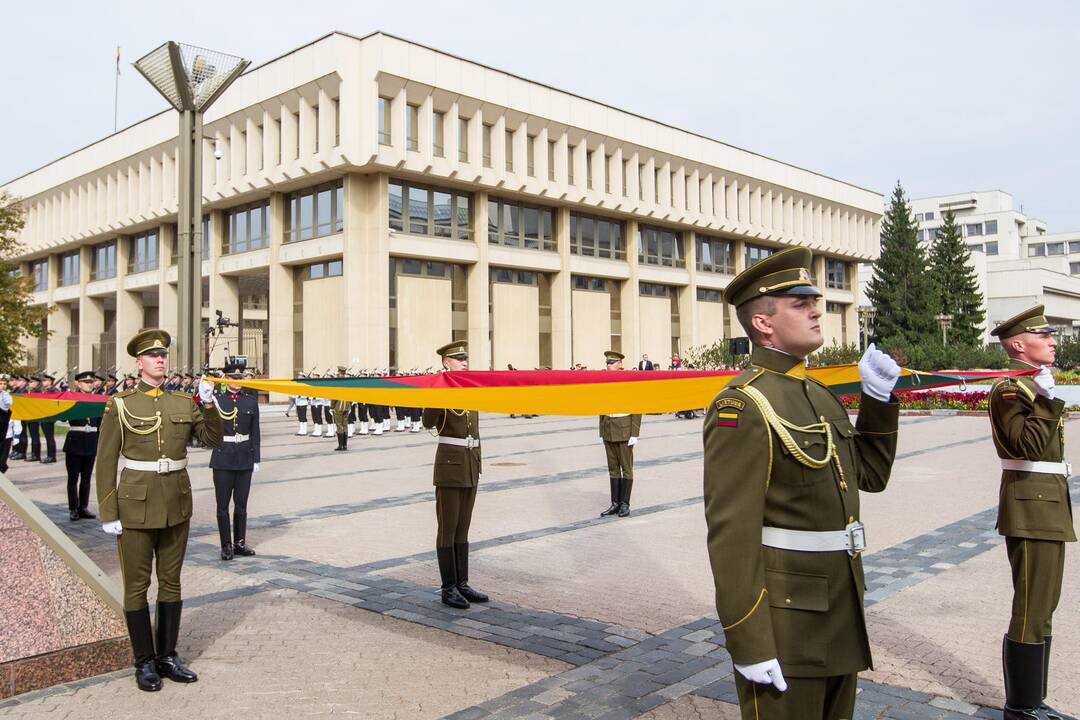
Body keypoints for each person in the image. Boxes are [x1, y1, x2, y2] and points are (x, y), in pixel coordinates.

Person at [703, 248, 901, 720]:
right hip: (787, 620)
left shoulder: (816, 393)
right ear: (763, 323)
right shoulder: (743, 406)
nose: (817, 310)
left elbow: (869, 476)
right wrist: (748, 640)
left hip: (839, 604)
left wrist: (878, 400)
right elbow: (732, 537)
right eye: (800, 303)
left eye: (815, 300)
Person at [95, 328, 223, 692]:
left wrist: (209, 404)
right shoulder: (120, 404)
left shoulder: (182, 403)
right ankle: (144, 661)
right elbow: (105, 462)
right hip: (134, 506)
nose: (160, 360)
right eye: (153, 356)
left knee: (171, 581)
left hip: (176, 503)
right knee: (137, 586)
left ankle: (167, 655)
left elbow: (212, 440)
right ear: (139, 363)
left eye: (163, 355)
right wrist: (108, 512)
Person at [988, 305, 1076, 720]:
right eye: (1044, 335)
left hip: (1047, 505)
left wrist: (1045, 394)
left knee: (1044, 605)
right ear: (1019, 345)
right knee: (1030, 605)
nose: (1053, 340)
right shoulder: (1010, 389)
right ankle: (1021, 706)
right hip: (1031, 508)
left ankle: (1035, 701)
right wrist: (1045, 398)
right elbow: (1028, 446)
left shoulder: (1031, 385)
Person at [421, 341, 488, 609]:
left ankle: (462, 583)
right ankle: (448, 587)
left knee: (463, 527)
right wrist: (439, 392)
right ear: (446, 362)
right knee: (447, 529)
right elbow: (428, 422)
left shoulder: (469, 388)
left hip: (470, 464)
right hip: (450, 466)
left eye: (465, 359)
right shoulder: (440, 389)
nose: (464, 362)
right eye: (458, 359)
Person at [209, 368, 261, 561]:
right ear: (225, 379)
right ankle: (226, 544)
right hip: (223, 458)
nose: (237, 381)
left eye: (240, 378)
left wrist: (256, 459)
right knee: (222, 505)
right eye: (233, 378)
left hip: (244, 457)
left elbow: (255, 432)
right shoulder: (217, 401)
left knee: (241, 504)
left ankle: (239, 542)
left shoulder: (250, 401)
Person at [598, 351, 642, 518]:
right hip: (609, 428)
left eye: (612, 363)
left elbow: (637, 407)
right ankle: (615, 503)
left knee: (627, 469)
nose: (608, 365)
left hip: (624, 430)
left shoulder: (628, 381)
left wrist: (634, 433)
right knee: (613, 469)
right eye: (608, 363)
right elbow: (600, 407)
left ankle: (625, 504)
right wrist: (602, 430)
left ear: (620, 364)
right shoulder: (604, 382)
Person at [64, 371, 102, 521]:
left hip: (91, 441)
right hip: (75, 441)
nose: (89, 384)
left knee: (86, 478)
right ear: (78, 384)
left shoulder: (97, 400)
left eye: (91, 382)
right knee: (73, 478)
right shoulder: (72, 399)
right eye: (86, 382)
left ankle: (83, 507)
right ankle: (73, 508)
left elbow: (100, 424)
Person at [332, 366, 350, 451]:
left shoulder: (337, 382)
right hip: (346, 406)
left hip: (338, 407)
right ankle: (345, 445)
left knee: (339, 426)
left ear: (339, 372)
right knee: (345, 426)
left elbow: (334, 396)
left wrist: (331, 407)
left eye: (338, 372)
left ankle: (341, 446)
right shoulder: (347, 382)